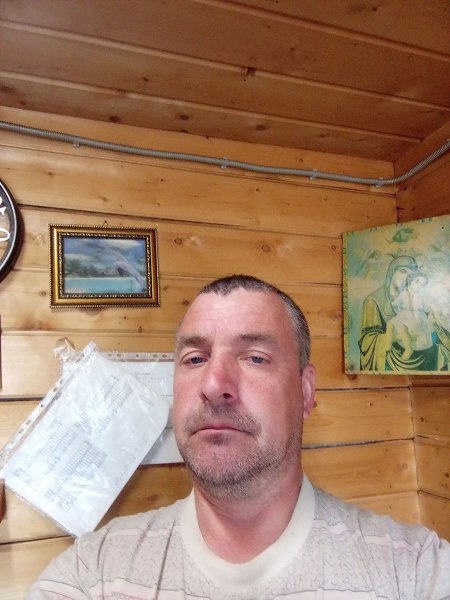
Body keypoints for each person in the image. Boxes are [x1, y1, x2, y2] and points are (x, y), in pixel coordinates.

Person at [27, 274, 450, 599]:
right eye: (195, 358)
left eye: (255, 357)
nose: (214, 384)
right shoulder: (93, 574)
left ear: (305, 392)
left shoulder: (414, 570)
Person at [359, 255, 438, 372]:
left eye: (411, 275)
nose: (406, 277)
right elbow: (367, 341)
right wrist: (398, 337)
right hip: (388, 362)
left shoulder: (417, 296)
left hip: (422, 356)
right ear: (392, 272)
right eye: (403, 271)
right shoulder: (373, 301)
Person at [384, 270, 433, 360]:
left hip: (417, 316)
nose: (419, 286)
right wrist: (396, 307)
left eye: (422, 285)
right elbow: (396, 304)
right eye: (417, 282)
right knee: (390, 324)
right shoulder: (403, 294)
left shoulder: (421, 296)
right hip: (404, 314)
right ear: (411, 280)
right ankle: (388, 345)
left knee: (403, 327)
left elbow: (427, 308)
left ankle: (408, 349)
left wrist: (429, 304)